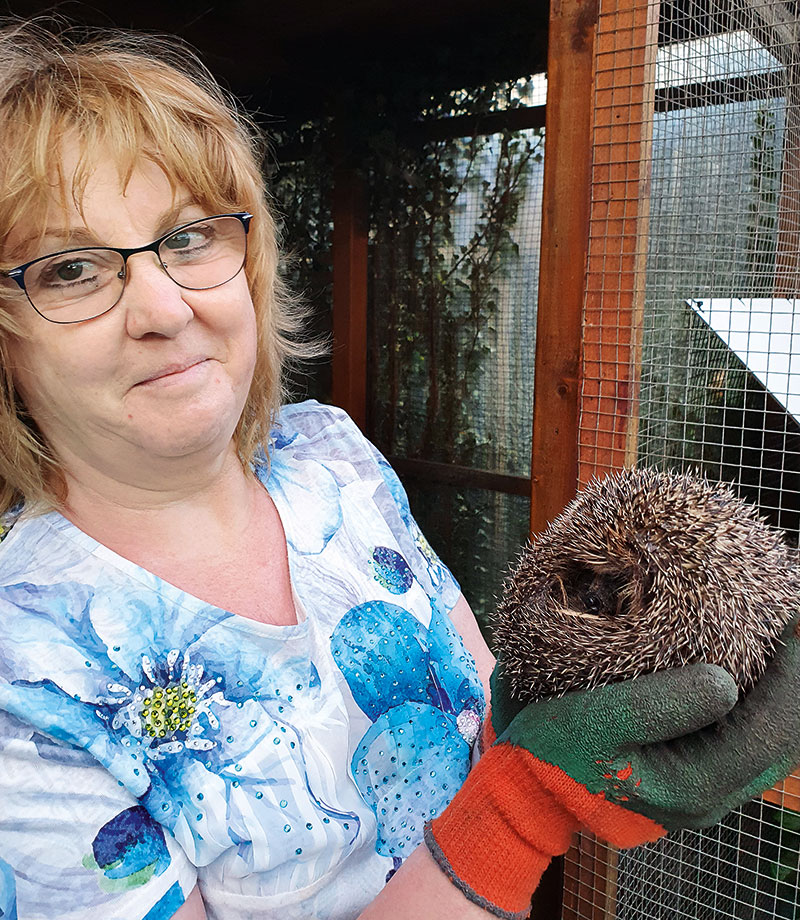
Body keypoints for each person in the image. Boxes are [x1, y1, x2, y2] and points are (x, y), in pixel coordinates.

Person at [0, 19, 799, 920]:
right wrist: (527, 807)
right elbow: (516, 794)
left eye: (188, 238)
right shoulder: (25, 677)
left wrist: (604, 716)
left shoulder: (331, 458)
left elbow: (498, 705)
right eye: (70, 269)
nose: (164, 307)